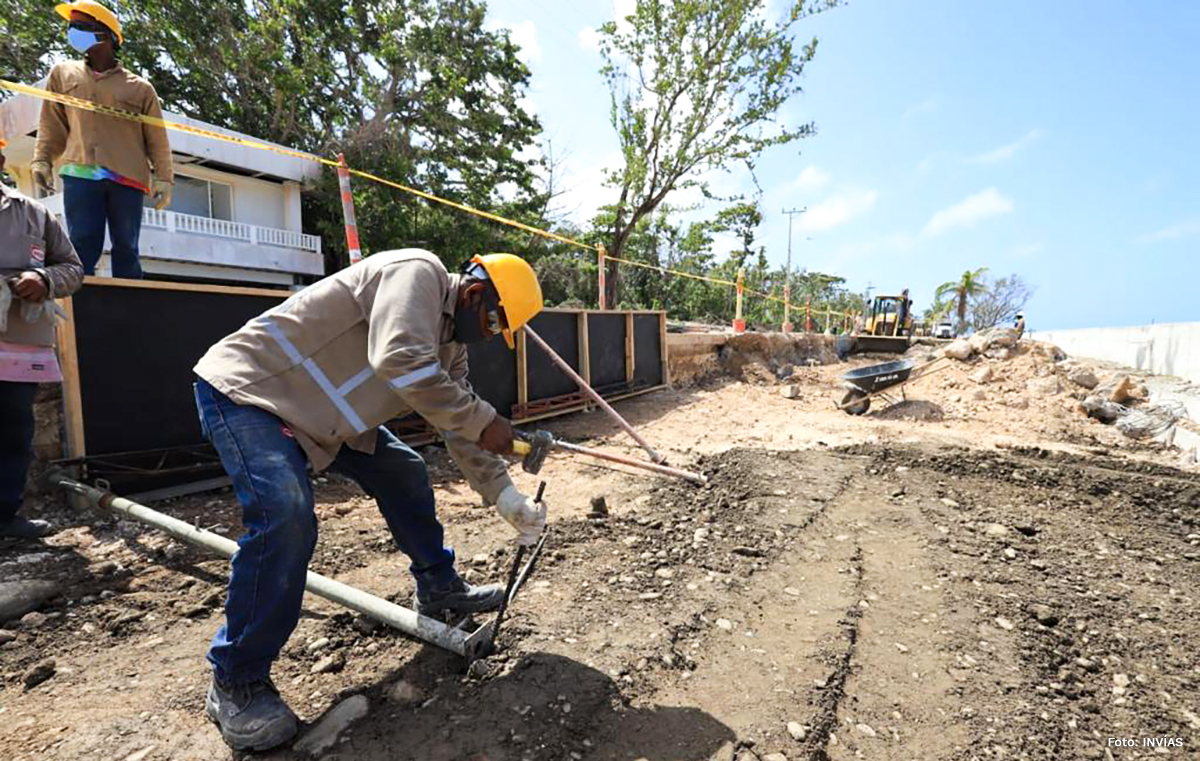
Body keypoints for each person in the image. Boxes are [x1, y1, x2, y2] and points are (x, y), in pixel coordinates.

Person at [193, 249, 548, 751]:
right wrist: (485, 419)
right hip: (251, 391)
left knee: (403, 470)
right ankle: (235, 678)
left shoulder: (451, 347)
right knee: (286, 515)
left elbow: (458, 423)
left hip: (321, 418)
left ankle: (439, 589)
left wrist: (506, 495)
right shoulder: (417, 273)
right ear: (473, 296)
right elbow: (399, 358)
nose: (491, 337)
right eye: (494, 325)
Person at [31, 1, 173, 279]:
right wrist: (42, 159)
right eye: (72, 27)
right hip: (80, 172)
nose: (73, 33)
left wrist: (164, 177)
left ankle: (131, 307)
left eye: (81, 27)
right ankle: (79, 307)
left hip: (128, 177)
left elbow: (157, 136)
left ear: (105, 35)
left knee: (127, 247)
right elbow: (52, 123)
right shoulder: (63, 74)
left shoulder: (140, 88)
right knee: (81, 243)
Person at [0, 137, 84, 539]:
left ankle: (5, 517)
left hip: (16, 347)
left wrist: (44, 278)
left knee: (14, 432)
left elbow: (72, 267)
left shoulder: (33, 214)